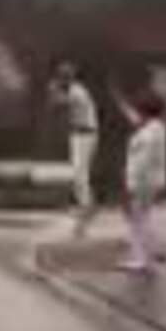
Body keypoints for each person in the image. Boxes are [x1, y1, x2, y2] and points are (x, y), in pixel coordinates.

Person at [117, 90, 166, 274]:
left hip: (143, 182)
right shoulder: (157, 128)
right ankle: (148, 255)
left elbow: (141, 163)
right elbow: (135, 120)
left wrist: (130, 187)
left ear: (145, 112)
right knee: (141, 219)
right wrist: (123, 105)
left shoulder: (148, 134)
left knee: (138, 220)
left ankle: (142, 258)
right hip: (151, 181)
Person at [48, 63, 101, 236]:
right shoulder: (73, 90)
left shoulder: (77, 91)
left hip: (86, 134)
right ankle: (87, 206)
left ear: (70, 78)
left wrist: (53, 90)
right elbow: (56, 106)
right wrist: (54, 92)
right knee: (78, 174)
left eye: (65, 77)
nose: (62, 80)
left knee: (79, 174)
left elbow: (58, 103)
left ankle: (87, 207)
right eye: (61, 76)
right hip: (78, 134)